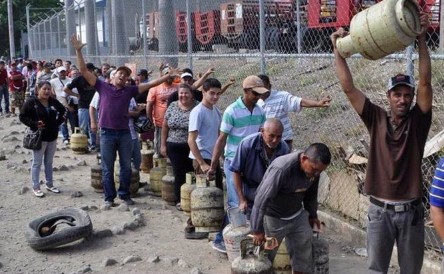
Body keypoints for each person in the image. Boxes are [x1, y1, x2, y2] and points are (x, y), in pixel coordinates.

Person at [330, 12, 432, 274]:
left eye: (406, 95)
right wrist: (339, 53)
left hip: (411, 213)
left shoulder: (418, 122)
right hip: (379, 212)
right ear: (388, 96)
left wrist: (421, 40)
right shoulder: (375, 118)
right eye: (397, 94)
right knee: (376, 269)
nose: (402, 99)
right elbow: (349, 89)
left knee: (411, 270)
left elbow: (425, 83)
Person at [71, 34, 180, 208]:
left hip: (124, 134)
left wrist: (167, 77)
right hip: (106, 132)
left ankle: (124, 195)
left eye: (126, 75)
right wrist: (78, 51)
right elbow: (84, 71)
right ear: (113, 76)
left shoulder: (129, 91)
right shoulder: (102, 86)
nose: (122, 76)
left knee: (126, 167)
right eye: (120, 73)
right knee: (107, 168)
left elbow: (151, 84)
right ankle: (109, 198)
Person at [208, 75, 267, 253]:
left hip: (252, 164)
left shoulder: (259, 111)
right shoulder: (232, 111)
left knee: (249, 202)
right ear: (245, 91)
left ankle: (240, 241)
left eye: (260, 93)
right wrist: (213, 165)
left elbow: (261, 138)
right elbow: (221, 139)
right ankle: (223, 240)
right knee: (236, 203)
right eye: (255, 93)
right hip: (233, 162)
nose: (258, 97)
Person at [251, 143, 331, 274]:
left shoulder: (314, 172)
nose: (316, 174)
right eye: (314, 169)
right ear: (304, 159)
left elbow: (311, 195)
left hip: (297, 215)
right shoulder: (281, 169)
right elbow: (261, 200)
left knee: (304, 254)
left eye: (320, 171)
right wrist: (257, 230)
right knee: (264, 257)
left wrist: (312, 215)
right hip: (274, 218)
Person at [231, 118, 290, 218]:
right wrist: (241, 199)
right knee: (251, 225)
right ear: (262, 131)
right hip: (251, 192)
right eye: (271, 136)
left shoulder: (284, 148)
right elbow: (236, 171)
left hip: (272, 194)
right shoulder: (247, 144)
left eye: (279, 137)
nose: (275, 140)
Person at [257, 74, 332, 149]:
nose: (261, 92)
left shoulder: (281, 97)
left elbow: (299, 102)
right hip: (266, 143)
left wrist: (317, 103)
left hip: (283, 141)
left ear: (269, 86)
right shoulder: (256, 101)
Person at [19, 81, 66, 197]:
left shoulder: (53, 101)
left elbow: (63, 110)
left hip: (52, 136)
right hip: (39, 138)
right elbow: (22, 116)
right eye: (44, 89)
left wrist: (58, 122)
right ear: (38, 89)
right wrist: (34, 124)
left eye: (49, 89)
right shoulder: (31, 102)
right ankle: (36, 187)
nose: (47, 91)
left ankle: (49, 184)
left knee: (49, 162)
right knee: (37, 163)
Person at [161, 83, 198, 208]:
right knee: (179, 173)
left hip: (193, 146)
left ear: (191, 94)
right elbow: (165, 126)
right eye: (181, 93)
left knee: (193, 172)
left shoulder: (198, 107)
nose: (183, 95)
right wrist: (163, 145)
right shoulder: (172, 106)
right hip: (174, 145)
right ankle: (180, 200)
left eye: (186, 93)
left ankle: (194, 199)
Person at [146, 64, 180, 157]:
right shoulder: (155, 87)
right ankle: (160, 169)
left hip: (175, 124)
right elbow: (149, 105)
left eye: (171, 74)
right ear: (162, 76)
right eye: (167, 74)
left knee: (173, 150)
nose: (169, 76)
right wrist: (150, 121)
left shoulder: (178, 87)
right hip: (160, 123)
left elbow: (191, 87)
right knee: (160, 149)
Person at [64, 63, 97, 151]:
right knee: (83, 126)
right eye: (89, 69)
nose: (90, 71)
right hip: (83, 106)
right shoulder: (78, 79)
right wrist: (76, 95)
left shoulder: (94, 79)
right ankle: (82, 144)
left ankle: (93, 144)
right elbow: (66, 89)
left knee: (93, 126)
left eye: (91, 70)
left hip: (93, 106)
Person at [50, 66, 72, 145]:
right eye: (61, 72)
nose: (62, 73)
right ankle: (65, 137)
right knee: (63, 122)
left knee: (72, 121)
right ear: (58, 73)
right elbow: (51, 92)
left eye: (63, 72)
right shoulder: (53, 81)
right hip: (60, 105)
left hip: (70, 104)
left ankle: (73, 137)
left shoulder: (70, 80)